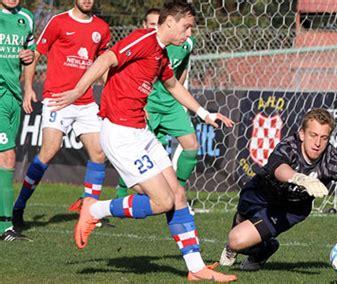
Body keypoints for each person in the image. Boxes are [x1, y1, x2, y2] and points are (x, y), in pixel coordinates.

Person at [51, 1, 237, 282]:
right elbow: (105, 60)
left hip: (140, 132)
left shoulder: (161, 54)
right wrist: (78, 90)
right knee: (161, 201)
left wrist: (203, 113)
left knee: (177, 196)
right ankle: (95, 209)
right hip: (121, 135)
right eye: (186, 27)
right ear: (170, 22)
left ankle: (196, 268)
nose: (188, 34)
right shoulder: (142, 39)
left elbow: (173, 85)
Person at [219, 108, 337, 271]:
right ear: (302, 134)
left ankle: (265, 249)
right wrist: (298, 178)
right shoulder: (289, 146)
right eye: (313, 135)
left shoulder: (330, 157)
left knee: (236, 240)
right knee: (240, 219)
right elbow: (278, 167)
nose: (317, 143)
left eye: (324, 138)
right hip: (260, 192)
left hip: (288, 209)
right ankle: (237, 246)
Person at [12, 0, 111, 228]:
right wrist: (28, 88)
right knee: (49, 150)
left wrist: (110, 93)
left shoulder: (102, 28)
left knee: (98, 153)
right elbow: (36, 54)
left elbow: (104, 64)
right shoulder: (58, 22)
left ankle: (90, 210)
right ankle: (19, 205)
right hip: (57, 99)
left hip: (85, 101)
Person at [115, 8, 198, 198]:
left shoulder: (186, 44)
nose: (188, 33)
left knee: (191, 146)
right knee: (144, 152)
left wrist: (182, 95)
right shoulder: (151, 44)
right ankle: (121, 193)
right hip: (150, 102)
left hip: (171, 105)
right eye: (151, 24)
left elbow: (181, 72)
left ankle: (178, 191)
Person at [0, 0, 35, 241]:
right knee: (7, 156)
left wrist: (29, 88)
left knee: (5, 157)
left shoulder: (27, 18)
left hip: (14, 96)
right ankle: (5, 226)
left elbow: (30, 57)